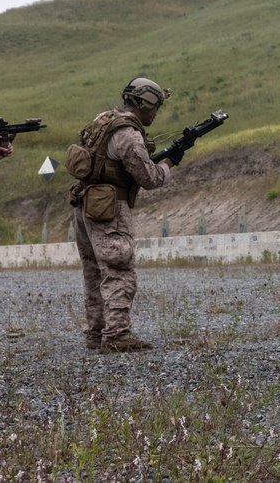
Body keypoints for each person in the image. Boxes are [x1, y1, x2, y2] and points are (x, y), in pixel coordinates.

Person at [69, 78, 182, 353]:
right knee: (118, 270)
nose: (155, 114)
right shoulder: (129, 133)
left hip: (84, 204)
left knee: (94, 272)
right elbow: (149, 178)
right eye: (155, 107)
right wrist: (169, 163)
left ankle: (97, 333)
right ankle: (117, 335)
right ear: (145, 103)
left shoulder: (103, 119)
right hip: (109, 208)